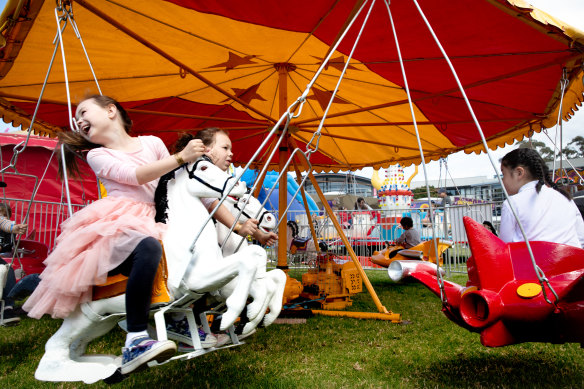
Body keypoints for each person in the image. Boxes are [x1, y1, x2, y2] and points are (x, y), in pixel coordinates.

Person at [22, 95, 208, 375]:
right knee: (147, 247)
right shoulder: (97, 155)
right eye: (77, 117)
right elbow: (135, 176)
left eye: (84, 111)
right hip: (121, 219)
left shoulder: (153, 143)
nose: (79, 119)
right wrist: (180, 156)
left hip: (157, 213)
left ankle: (185, 319)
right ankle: (135, 339)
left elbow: (168, 181)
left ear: (111, 111)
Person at [499, 148, 584, 248]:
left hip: (533, 262)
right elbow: (581, 238)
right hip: (572, 260)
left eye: (503, 174)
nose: (502, 180)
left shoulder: (511, 203)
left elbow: (505, 247)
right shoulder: (565, 197)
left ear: (519, 173)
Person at [0, 202, 27, 326]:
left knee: (8, 270)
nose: (2, 217)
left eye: (5, 215)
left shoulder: (4, 224)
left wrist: (14, 227)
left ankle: (7, 308)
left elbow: (3, 223)